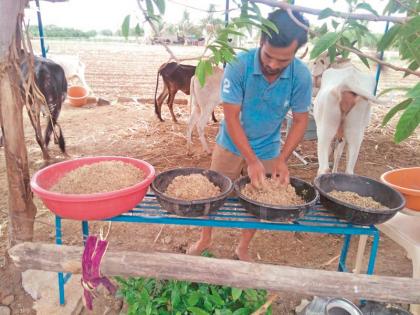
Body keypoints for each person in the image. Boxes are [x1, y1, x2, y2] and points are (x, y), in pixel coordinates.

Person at [187, 9, 312, 261]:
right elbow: (231, 116)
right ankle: (205, 238)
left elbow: (300, 120)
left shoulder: (301, 76)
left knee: (260, 200)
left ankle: (242, 246)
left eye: (283, 60)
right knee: (214, 193)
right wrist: (250, 159)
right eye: (268, 56)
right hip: (230, 144)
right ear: (260, 41)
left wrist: (282, 159)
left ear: (297, 53)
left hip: (268, 147)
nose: (273, 65)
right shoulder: (238, 66)